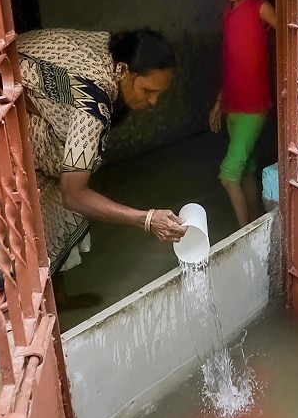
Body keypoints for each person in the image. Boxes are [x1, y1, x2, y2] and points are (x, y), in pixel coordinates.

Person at [17, 28, 186, 272]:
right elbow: (73, 194)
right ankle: (46, 295)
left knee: (73, 159)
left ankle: (57, 294)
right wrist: (146, 219)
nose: (153, 102)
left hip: (9, 74)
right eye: (147, 91)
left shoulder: (112, 47)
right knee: (62, 182)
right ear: (124, 71)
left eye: (158, 94)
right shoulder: (93, 104)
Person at [209, 0, 277, 228]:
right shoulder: (227, 11)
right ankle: (256, 224)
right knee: (247, 169)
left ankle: (243, 235)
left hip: (254, 106)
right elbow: (231, 62)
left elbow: (290, 34)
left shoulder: (260, 7)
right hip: (233, 104)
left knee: (229, 173)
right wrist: (219, 101)